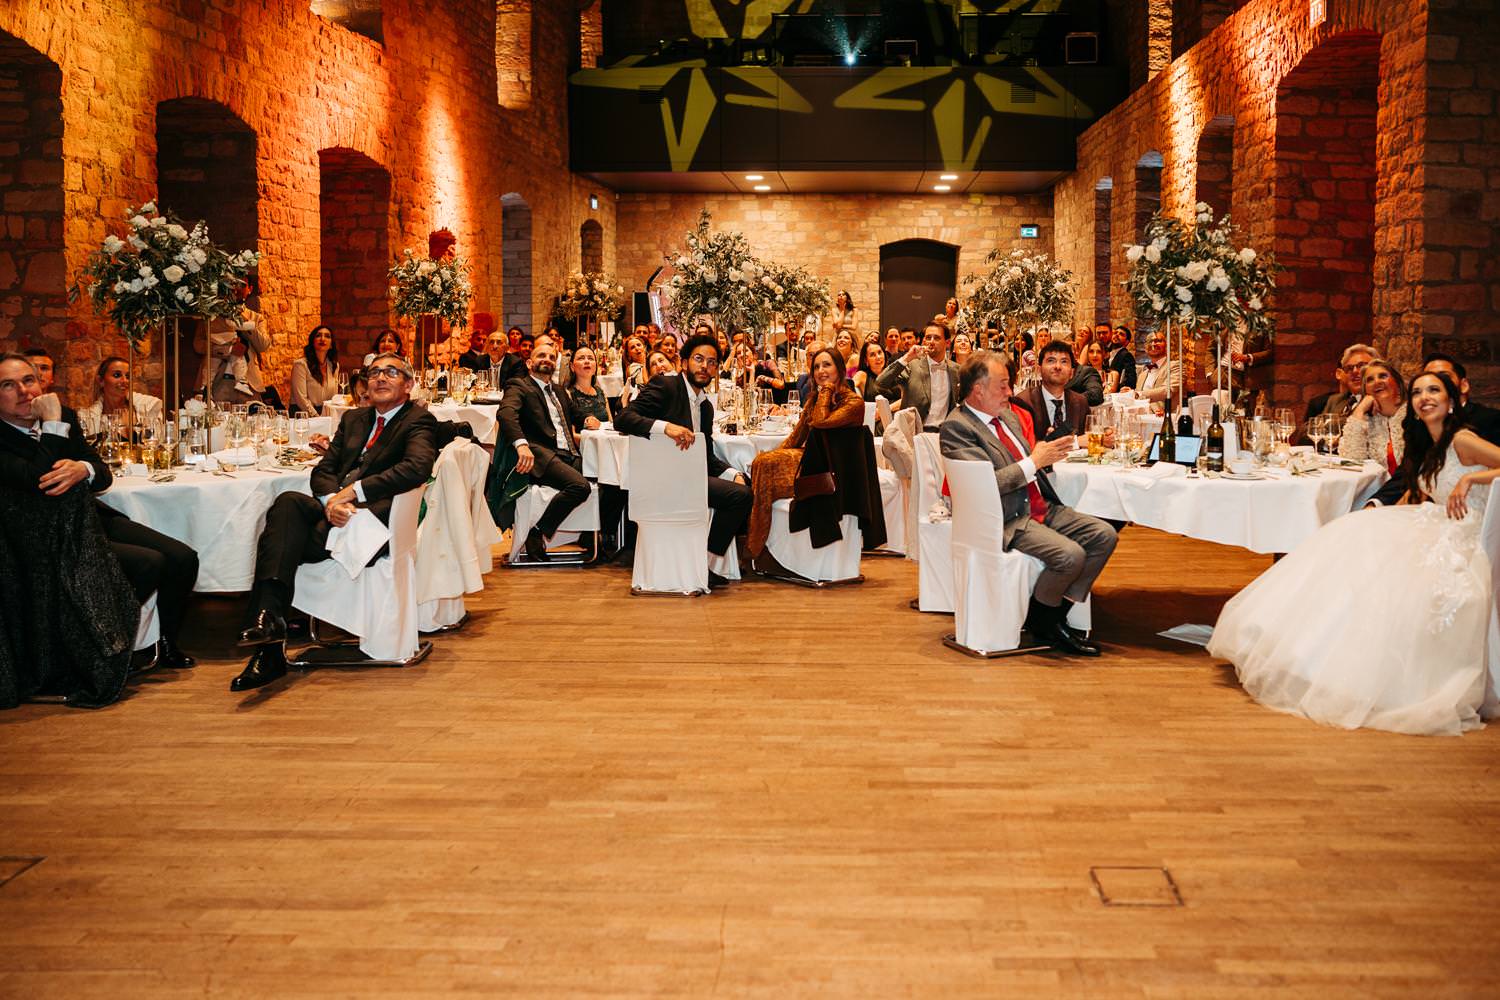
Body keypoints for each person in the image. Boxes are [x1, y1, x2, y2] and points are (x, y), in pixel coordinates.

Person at [1210, 371, 1500, 735]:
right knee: (1351, 536)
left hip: (1463, 533)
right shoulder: (1430, 443)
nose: (1424, 397)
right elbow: (1420, 490)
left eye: (1434, 390)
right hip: (1434, 520)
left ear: (1451, 400)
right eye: (1418, 392)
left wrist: (1472, 478)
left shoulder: (1462, 439)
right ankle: (1314, 657)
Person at [231, 352, 438, 692]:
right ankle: (270, 622)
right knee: (287, 504)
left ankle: (269, 645)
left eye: (391, 372)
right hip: (336, 514)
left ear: (409, 385)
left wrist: (354, 492)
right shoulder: (354, 419)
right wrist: (330, 503)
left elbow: (416, 468)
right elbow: (324, 470)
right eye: (374, 372)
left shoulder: (418, 421)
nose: (380, 378)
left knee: (283, 542)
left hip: (373, 522)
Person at [0, 353, 199, 671]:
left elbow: (102, 473)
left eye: (29, 380)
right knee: (149, 563)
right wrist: (52, 426)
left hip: (89, 519)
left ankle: (164, 643)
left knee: (182, 558)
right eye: (8, 385)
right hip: (42, 538)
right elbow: (40, 481)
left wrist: (84, 469)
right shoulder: (43, 424)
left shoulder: (65, 415)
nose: (24, 391)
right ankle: (105, 647)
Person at [939, 351, 1117, 656]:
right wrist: (1035, 461)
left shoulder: (1007, 417)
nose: (1009, 392)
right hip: (1006, 516)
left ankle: (1049, 615)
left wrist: (1051, 450)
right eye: (1002, 385)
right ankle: (1047, 621)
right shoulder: (957, 428)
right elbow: (985, 485)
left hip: (1040, 504)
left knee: (1104, 535)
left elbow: (1028, 459)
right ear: (978, 389)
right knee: (1070, 555)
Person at [614, 333, 752, 580]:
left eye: (711, 362)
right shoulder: (666, 386)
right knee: (739, 497)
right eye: (699, 359)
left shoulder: (706, 407)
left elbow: (706, 455)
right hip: (661, 479)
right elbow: (623, 419)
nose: (705, 366)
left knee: (744, 487)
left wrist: (734, 474)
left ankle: (704, 560)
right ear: (685, 362)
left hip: (689, 479)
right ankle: (703, 562)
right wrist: (665, 427)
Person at [744, 347, 865, 558]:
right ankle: (758, 541)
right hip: (814, 462)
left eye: (826, 365)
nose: (820, 371)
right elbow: (796, 438)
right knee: (762, 463)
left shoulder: (854, 403)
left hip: (836, 470)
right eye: (816, 367)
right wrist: (771, 456)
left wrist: (825, 391)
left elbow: (820, 422)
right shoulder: (814, 400)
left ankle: (755, 546)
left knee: (765, 467)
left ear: (840, 369)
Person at [499, 336, 590, 563]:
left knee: (608, 480)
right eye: (541, 355)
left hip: (569, 454)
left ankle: (595, 539)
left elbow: (576, 415)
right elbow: (506, 414)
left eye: (551, 357)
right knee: (580, 487)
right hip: (542, 454)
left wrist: (588, 419)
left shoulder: (559, 390)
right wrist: (521, 444)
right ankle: (537, 531)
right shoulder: (519, 385)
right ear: (529, 363)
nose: (547, 359)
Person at [197, 283, 272, 406]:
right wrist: (226, 350)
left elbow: (263, 345)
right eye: (233, 285)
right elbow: (198, 344)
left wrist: (241, 319)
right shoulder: (211, 316)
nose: (237, 289)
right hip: (218, 381)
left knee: (254, 416)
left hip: (249, 382)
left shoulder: (256, 318)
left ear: (249, 289)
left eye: (242, 285)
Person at [875, 322, 960, 431]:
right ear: (924, 341)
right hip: (914, 432)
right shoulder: (912, 365)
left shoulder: (956, 370)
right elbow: (881, 383)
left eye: (936, 338)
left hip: (944, 433)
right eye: (928, 338)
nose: (931, 342)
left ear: (947, 343)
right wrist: (907, 357)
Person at [1339, 360, 1406, 474]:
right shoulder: (1365, 422)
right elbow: (1351, 464)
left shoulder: (1414, 416)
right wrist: (1360, 409)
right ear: (1365, 391)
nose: (1377, 382)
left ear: (1398, 385)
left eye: (1383, 376)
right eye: (1370, 380)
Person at [1014, 341, 1090, 440]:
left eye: (1064, 361)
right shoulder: (1023, 402)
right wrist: (1075, 442)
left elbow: (1088, 439)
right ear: (1039, 370)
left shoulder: (1080, 402)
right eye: (1051, 361)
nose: (1057, 366)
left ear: (1071, 373)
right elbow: (1020, 444)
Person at [77, 357, 164, 439]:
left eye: (128, 376)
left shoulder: (149, 409)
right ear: (101, 381)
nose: (125, 380)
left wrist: (130, 432)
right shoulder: (88, 419)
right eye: (117, 375)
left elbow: (158, 443)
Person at [289, 325, 340, 416]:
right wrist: (316, 416)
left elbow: (333, 397)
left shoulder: (334, 366)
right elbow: (301, 399)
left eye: (327, 336)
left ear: (331, 345)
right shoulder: (300, 365)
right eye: (318, 335)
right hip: (303, 414)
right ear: (312, 342)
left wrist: (329, 415)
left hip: (324, 413)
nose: (322, 339)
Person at [1319, 343, 1375, 418]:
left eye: (1362, 365)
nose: (1355, 371)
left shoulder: (1381, 400)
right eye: (1349, 368)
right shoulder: (1335, 401)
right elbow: (1319, 423)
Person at [564, 345, 611, 433]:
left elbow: (610, 425)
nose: (587, 361)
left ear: (596, 366)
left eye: (590, 358)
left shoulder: (600, 392)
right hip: (583, 441)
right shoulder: (567, 394)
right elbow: (572, 435)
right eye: (581, 358)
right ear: (572, 366)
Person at [1134, 328, 1182, 410]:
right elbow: (1136, 397)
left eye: (1158, 341)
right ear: (1145, 348)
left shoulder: (1176, 366)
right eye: (1150, 341)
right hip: (1141, 414)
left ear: (1167, 346)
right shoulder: (1142, 374)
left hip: (1164, 415)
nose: (1153, 344)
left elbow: (1168, 391)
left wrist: (1139, 394)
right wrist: (1129, 393)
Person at [1066, 341, 1106, 407]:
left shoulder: (1087, 372)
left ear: (1076, 354)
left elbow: (1095, 394)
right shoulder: (1053, 374)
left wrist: (1066, 401)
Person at [1106, 325, 1137, 392]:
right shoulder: (1106, 353)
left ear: (1127, 342)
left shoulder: (1127, 355)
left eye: (1121, 334)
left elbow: (1130, 378)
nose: (1117, 335)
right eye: (1115, 333)